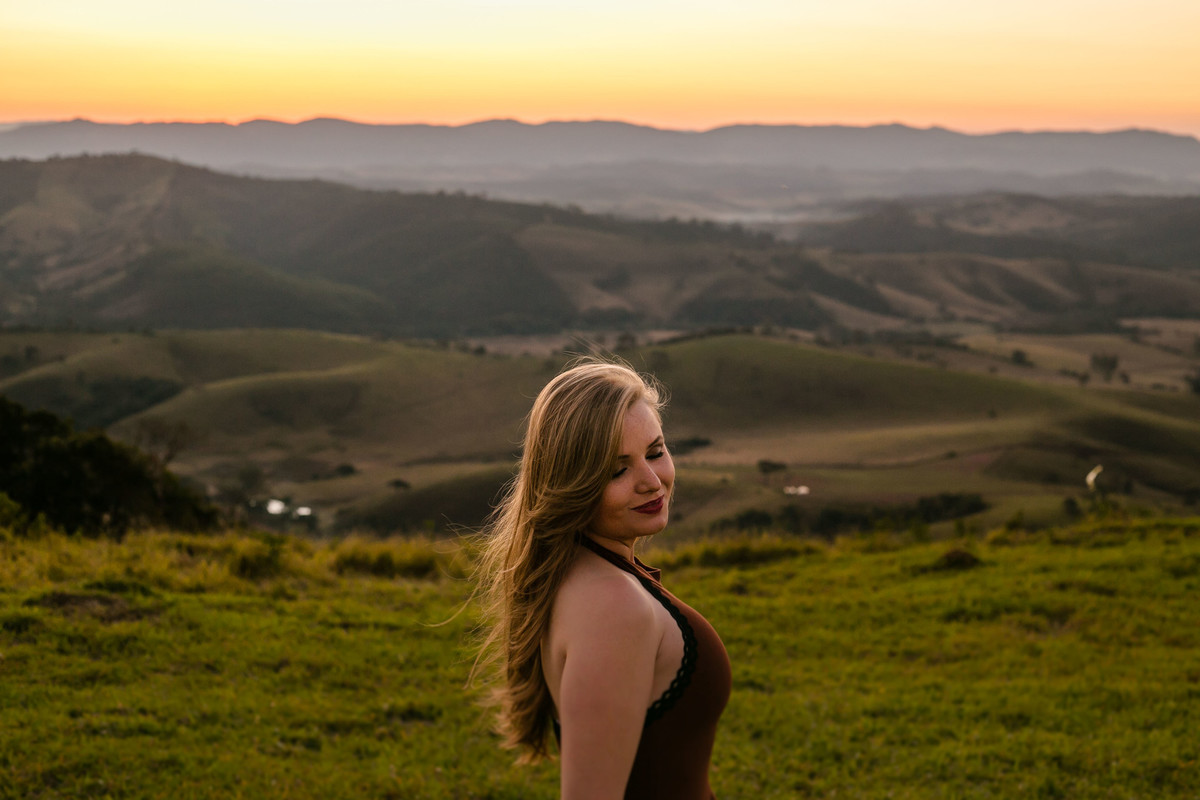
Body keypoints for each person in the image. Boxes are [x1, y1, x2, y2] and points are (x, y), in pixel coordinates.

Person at [473, 358, 731, 800]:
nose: (651, 481)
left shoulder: (580, 570)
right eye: (616, 470)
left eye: (655, 452)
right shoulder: (614, 609)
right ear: (572, 483)